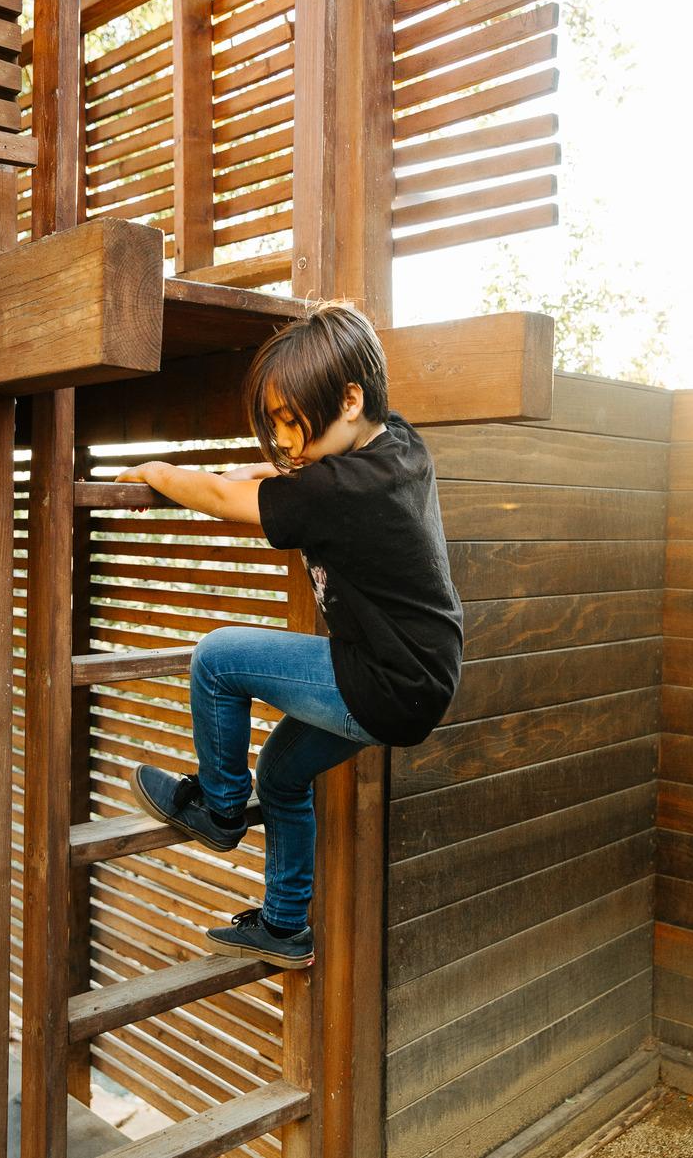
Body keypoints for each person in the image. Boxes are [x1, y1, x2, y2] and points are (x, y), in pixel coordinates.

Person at [115, 301, 463, 970]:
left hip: (384, 678)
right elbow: (296, 479)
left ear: (351, 398)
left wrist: (159, 474)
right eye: (274, 420)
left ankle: (218, 809)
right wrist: (264, 471)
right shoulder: (399, 446)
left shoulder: (336, 490)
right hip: (423, 676)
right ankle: (283, 926)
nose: (282, 437)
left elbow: (226, 500)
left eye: (289, 417)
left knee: (217, 658)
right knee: (279, 772)